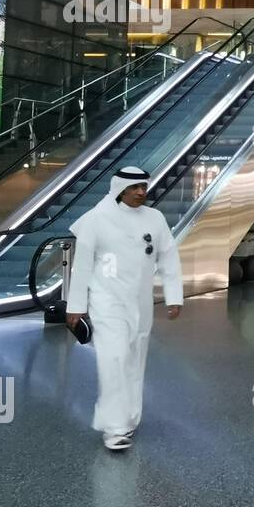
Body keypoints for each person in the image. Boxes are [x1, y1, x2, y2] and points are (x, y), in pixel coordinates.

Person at [64, 167, 183, 452]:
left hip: (141, 302)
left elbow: (168, 257)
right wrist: (76, 306)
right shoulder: (95, 220)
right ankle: (115, 428)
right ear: (120, 189)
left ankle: (129, 418)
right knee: (114, 358)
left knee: (134, 359)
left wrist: (174, 296)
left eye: (144, 187)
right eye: (136, 188)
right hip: (106, 301)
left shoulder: (154, 218)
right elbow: (81, 267)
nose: (142, 192)